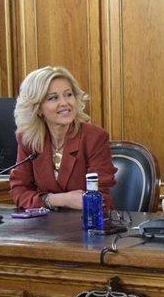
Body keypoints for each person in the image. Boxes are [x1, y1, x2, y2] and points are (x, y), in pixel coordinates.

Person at [10, 66, 116, 210]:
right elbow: (19, 192)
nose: (65, 103)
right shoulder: (28, 139)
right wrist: (59, 199)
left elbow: (100, 199)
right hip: (42, 228)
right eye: (53, 98)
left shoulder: (94, 138)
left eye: (68, 95)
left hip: (84, 225)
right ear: (38, 108)